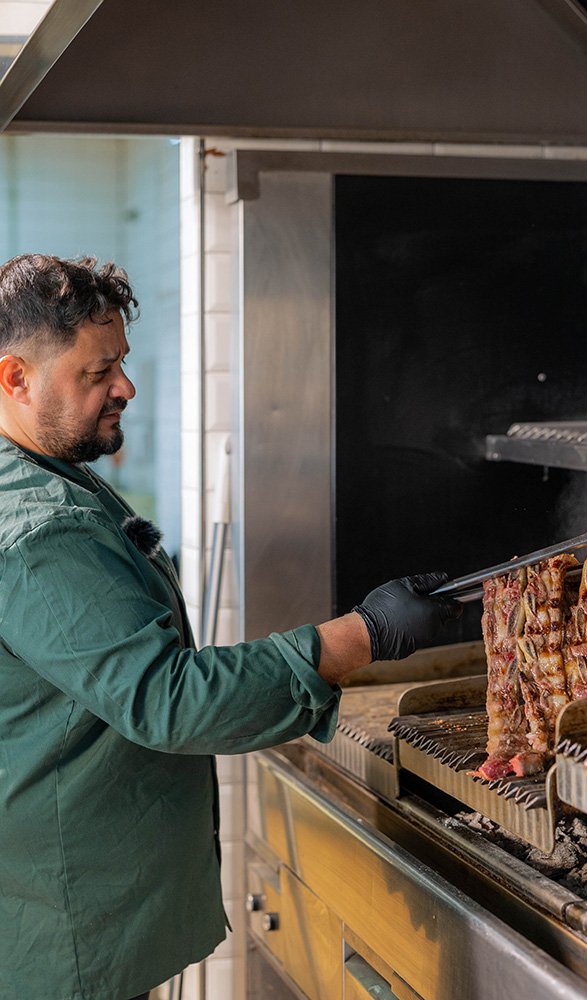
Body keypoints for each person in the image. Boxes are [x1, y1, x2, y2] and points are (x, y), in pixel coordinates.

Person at [0, 254, 462, 1000]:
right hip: (61, 935)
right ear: (13, 378)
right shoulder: (37, 532)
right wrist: (364, 634)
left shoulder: (43, 473)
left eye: (120, 362)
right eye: (97, 373)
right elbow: (167, 700)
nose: (126, 387)